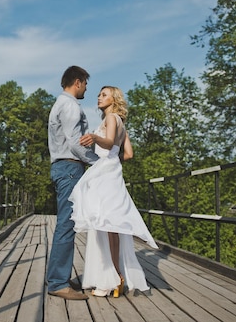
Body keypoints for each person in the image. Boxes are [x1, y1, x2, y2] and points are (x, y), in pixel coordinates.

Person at [69, 86, 158, 297]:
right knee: (111, 226)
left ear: (114, 98)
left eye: (104, 95)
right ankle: (114, 277)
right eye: (99, 95)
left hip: (104, 175)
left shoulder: (111, 119)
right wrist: (111, 160)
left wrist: (95, 138)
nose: (99, 98)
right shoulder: (121, 124)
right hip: (112, 173)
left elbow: (108, 144)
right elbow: (128, 154)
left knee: (104, 224)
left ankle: (112, 279)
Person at [47, 66, 99, 301]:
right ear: (77, 82)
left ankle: (59, 278)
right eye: (86, 84)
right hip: (69, 168)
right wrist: (97, 163)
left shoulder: (61, 104)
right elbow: (75, 142)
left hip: (65, 168)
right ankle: (58, 282)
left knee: (66, 223)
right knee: (66, 224)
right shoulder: (69, 106)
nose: (87, 88)